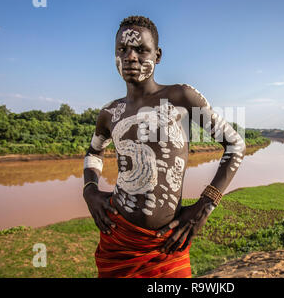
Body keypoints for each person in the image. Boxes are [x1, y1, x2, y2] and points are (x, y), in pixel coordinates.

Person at [83, 15, 246, 278]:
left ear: (157, 55)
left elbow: (235, 145)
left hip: (166, 244)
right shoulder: (110, 113)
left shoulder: (180, 97)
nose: (131, 57)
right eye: (122, 50)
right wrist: (89, 191)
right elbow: (94, 152)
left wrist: (205, 205)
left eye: (141, 50)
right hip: (118, 241)